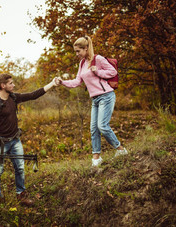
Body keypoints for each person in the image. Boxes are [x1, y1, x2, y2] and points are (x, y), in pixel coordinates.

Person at [0, 73, 58, 206]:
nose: (13, 85)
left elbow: (33, 95)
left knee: (20, 168)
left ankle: (21, 195)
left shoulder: (13, 97)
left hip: (15, 140)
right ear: (3, 85)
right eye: (10, 83)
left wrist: (52, 84)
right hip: (0, 143)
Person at [55, 36, 128, 167]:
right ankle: (96, 158)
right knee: (93, 129)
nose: (77, 54)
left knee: (103, 126)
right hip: (95, 99)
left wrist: (98, 71)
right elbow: (77, 81)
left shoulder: (98, 59)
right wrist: (62, 82)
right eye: (75, 51)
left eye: (78, 51)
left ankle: (121, 150)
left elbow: (113, 71)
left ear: (86, 48)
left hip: (106, 95)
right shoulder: (82, 63)